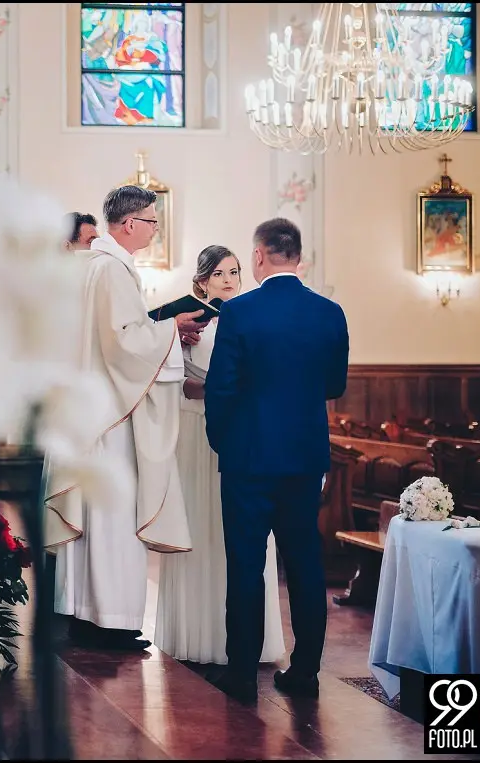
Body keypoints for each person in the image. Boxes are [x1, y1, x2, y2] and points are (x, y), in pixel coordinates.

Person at [46, 185, 205, 651]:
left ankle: (82, 614)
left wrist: (162, 331)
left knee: (93, 522)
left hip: (89, 414)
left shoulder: (87, 266)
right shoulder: (112, 269)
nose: (155, 231)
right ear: (130, 223)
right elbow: (123, 343)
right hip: (111, 421)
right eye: (152, 222)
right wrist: (172, 329)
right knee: (113, 520)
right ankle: (111, 621)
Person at [204, 218, 349, 704]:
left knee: (246, 565)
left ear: (259, 255)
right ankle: (305, 671)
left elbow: (221, 388)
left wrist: (223, 443)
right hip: (305, 458)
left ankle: (243, 674)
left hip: (248, 459)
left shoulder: (239, 312)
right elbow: (334, 385)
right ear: (298, 256)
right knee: (305, 562)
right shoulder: (330, 313)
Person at [154, 246, 286, 666]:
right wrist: (213, 386)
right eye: (218, 274)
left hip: (243, 437)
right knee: (201, 527)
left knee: (244, 538)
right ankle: (197, 637)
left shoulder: (252, 318)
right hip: (197, 432)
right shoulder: (190, 324)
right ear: (202, 281)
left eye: (234, 272)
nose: (228, 280)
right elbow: (177, 382)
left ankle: (247, 643)